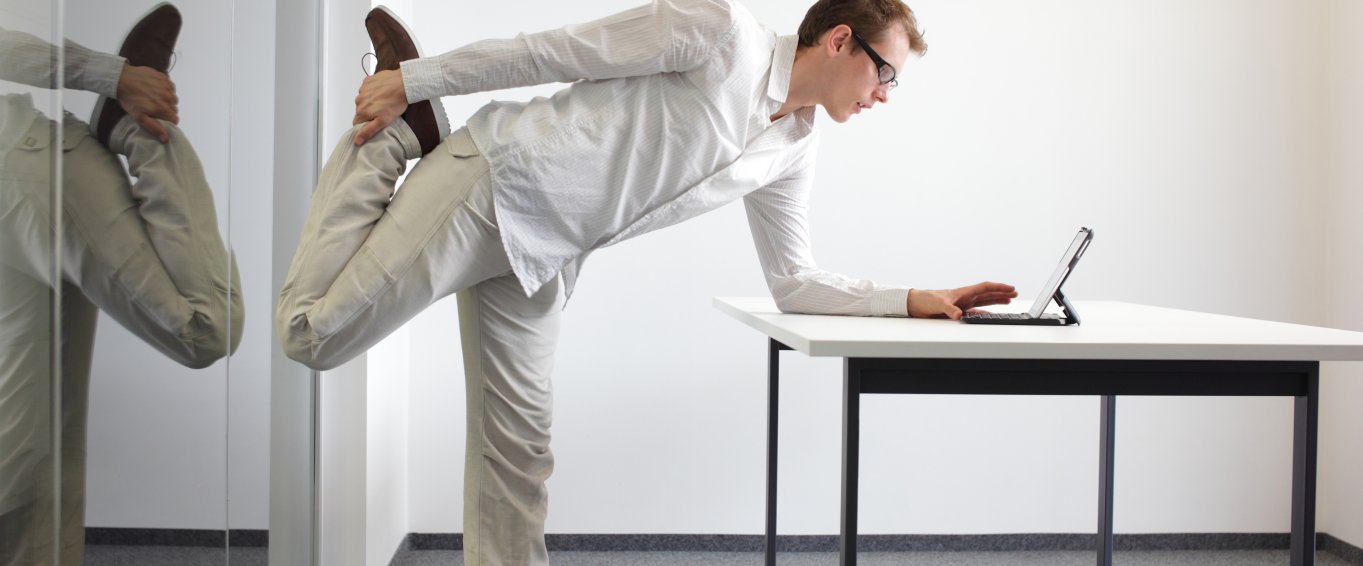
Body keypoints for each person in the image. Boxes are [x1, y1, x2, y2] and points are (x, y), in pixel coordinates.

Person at [277, 0, 1017, 563]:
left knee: (518, 457)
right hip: (493, 188)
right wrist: (416, 79)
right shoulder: (720, 32)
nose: (884, 94)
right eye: (883, 73)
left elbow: (793, 281)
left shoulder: (793, 147)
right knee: (311, 336)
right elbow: (555, 52)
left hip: (544, 258)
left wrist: (913, 300)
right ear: (836, 41)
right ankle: (403, 136)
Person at [0, 4, 242, 565]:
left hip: (26, 167)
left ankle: (141, 134)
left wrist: (115, 77)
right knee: (33, 442)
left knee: (205, 331)